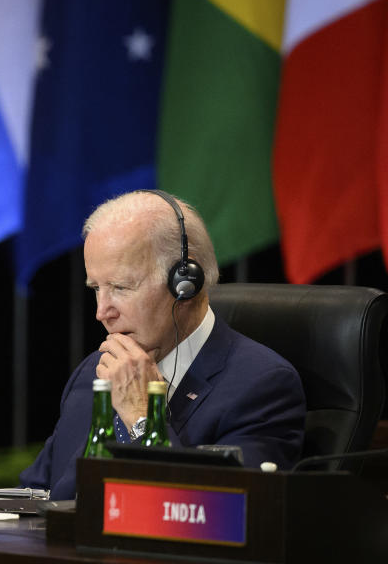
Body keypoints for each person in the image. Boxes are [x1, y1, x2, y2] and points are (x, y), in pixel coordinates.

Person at [20, 190, 306, 500]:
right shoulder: (93, 372)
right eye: (96, 289)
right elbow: (34, 495)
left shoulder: (262, 386)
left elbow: (224, 515)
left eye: (120, 287)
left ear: (185, 283)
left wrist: (143, 418)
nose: (102, 312)